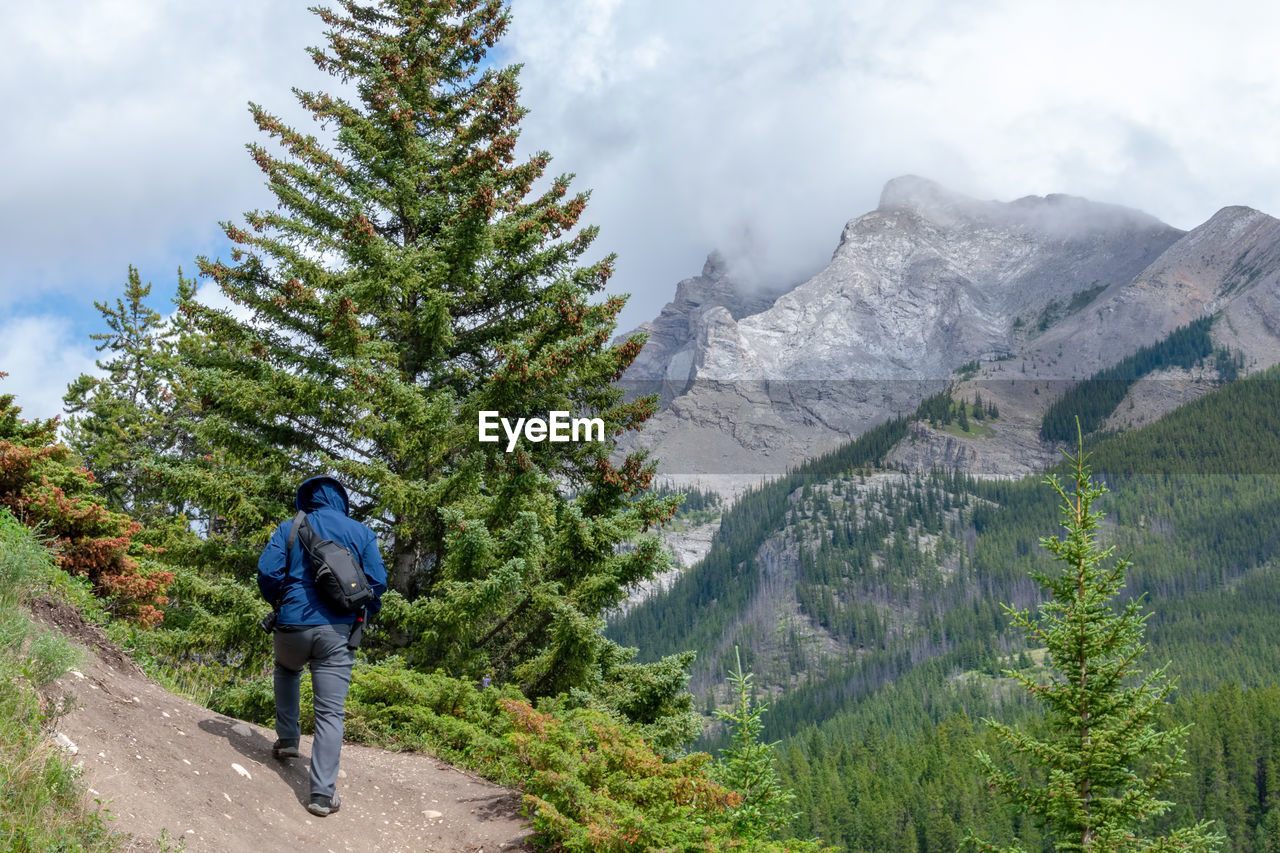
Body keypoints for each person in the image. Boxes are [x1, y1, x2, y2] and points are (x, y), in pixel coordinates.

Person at [257, 475, 387, 817]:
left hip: (292, 625)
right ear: (340, 500)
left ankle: (287, 741)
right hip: (337, 632)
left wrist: (281, 602)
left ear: (306, 500)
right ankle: (321, 795)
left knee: (287, 669)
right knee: (330, 712)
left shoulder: (290, 526)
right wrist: (359, 612)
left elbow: (268, 573)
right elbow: (378, 581)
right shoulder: (360, 532)